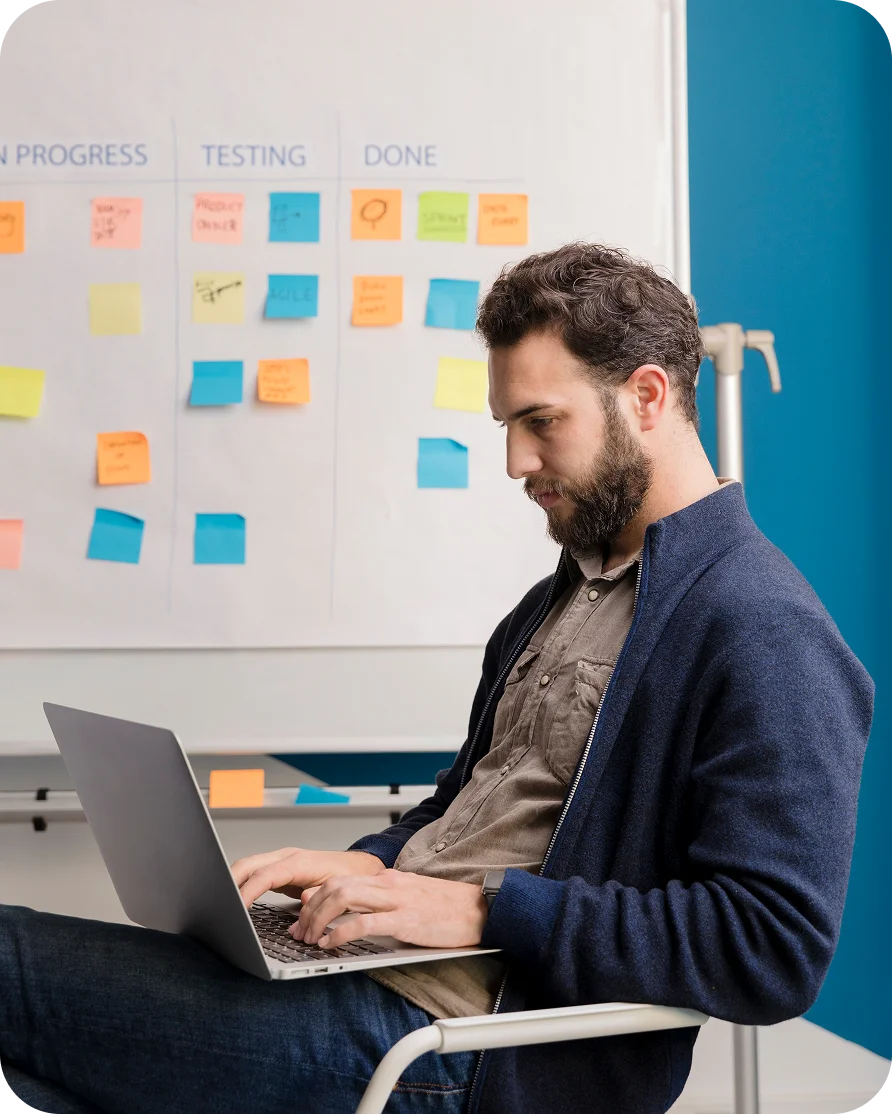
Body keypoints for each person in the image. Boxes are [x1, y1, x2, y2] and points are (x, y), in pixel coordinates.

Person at [0, 243, 873, 1114]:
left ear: (646, 396)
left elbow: (774, 948)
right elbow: (460, 811)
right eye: (506, 428)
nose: (516, 462)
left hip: (453, 1049)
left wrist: (481, 912)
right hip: (368, 979)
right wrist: (359, 865)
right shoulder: (556, 600)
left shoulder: (764, 628)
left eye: (542, 421)